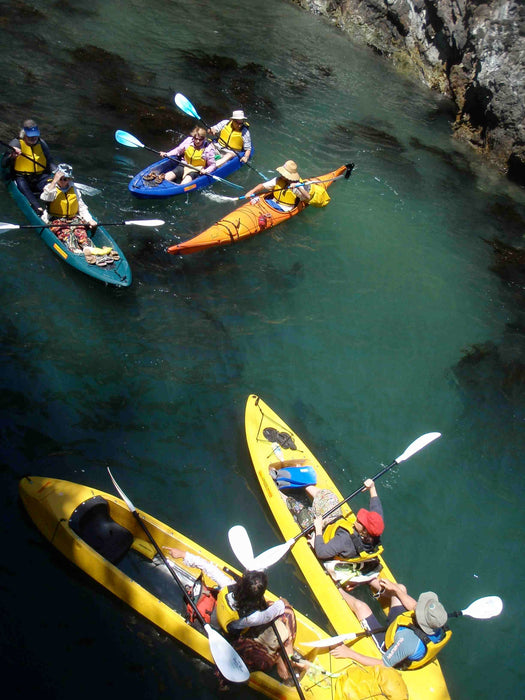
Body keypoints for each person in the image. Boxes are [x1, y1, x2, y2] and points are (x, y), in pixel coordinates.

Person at [164, 547, 305, 683]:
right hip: (237, 635)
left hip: (226, 619)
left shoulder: (228, 585)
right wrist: (283, 603)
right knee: (288, 612)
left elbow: (207, 567)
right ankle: (285, 660)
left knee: (276, 616)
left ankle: (285, 656)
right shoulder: (254, 617)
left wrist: (183, 554)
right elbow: (278, 609)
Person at [331, 578, 452, 670]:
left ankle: (338, 589)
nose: (418, 607)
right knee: (401, 588)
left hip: (390, 643)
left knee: (361, 607)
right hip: (403, 628)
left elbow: (383, 665)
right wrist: (396, 590)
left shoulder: (407, 642)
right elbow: (414, 606)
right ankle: (367, 578)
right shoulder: (436, 622)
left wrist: (349, 653)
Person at [305, 478, 384, 562]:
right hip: (335, 526)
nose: (357, 518)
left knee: (303, 515)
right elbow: (376, 508)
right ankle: (306, 486)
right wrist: (372, 487)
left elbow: (321, 553)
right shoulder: (374, 533)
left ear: (364, 532)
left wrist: (318, 529)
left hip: (324, 535)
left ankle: (302, 484)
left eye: (359, 521)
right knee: (329, 496)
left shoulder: (345, 539)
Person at [1, 119, 56, 214]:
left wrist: (58, 173)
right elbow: (4, 164)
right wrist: (12, 157)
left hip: (40, 177)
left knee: (54, 190)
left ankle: (55, 209)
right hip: (22, 178)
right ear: (24, 134)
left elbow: (50, 162)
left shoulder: (42, 144)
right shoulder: (16, 143)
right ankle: (37, 208)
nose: (33, 138)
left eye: (35, 135)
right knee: (24, 189)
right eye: (30, 135)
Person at [40, 164, 97, 251]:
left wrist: (90, 220)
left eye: (65, 179)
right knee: (66, 235)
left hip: (73, 219)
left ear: (69, 179)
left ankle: (88, 249)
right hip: (56, 220)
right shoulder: (50, 188)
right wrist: (54, 181)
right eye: (60, 179)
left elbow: (82, 207)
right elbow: (45, 198)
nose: (62, 181)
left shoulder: (74, 189)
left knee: (81, 233)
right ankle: (75, 251)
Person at [244, 160, 310, 212]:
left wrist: (297, 186)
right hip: (272, 202)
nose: (281, 175)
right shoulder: (278, 179)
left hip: (284, 208)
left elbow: (307, 197)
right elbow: (262, 186)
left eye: (283, 174)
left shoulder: (296, 186)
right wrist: (251, 191)